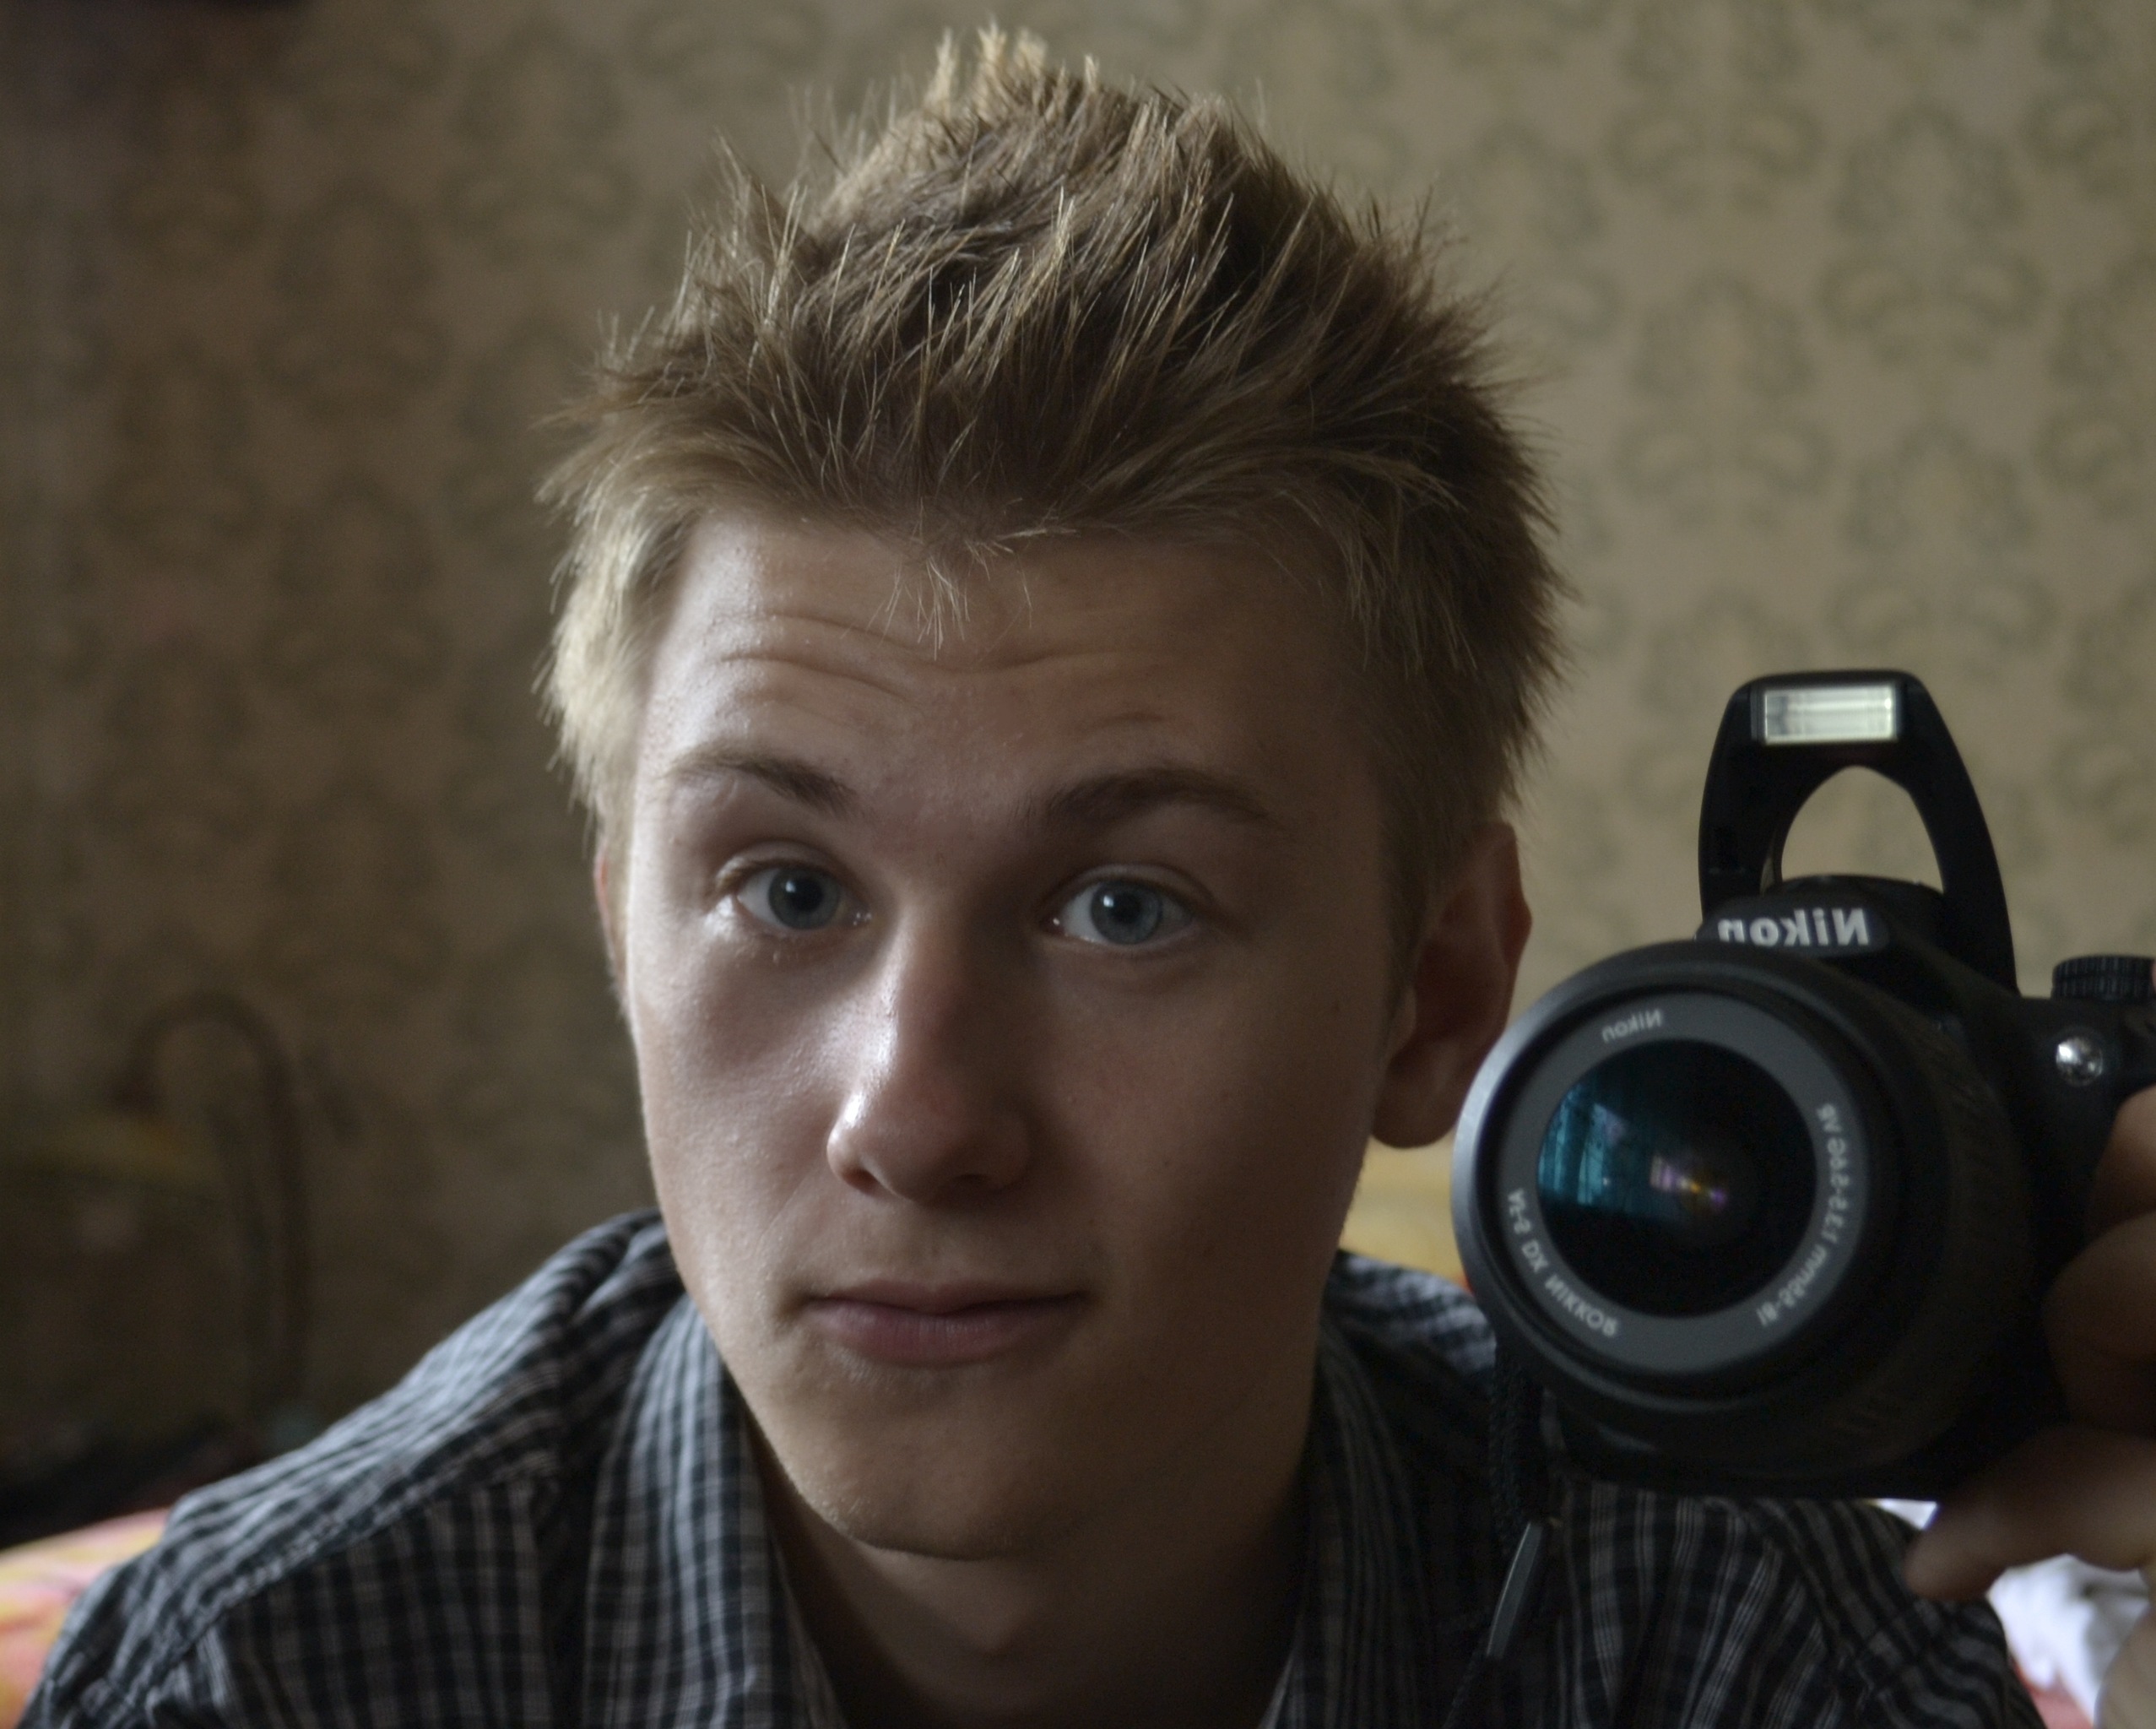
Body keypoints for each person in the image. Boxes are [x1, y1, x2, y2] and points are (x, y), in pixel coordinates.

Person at [27, 32, 2156, 1729]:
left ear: (1432, 997)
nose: (913, 1116)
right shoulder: (262, 1675)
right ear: (622, 939)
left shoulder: (1737, 1644)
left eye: (1123, 907)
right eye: (784, 892)